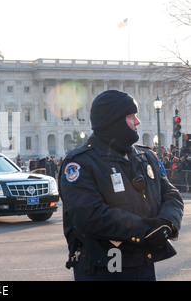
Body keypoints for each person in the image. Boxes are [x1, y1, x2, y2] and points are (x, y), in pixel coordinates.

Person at [59, 90, 184, 281]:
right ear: (113, 121)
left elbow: (171, 195)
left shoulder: (146, 156)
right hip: (101, 269)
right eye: (131, 116)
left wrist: (167, 224)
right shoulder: (81, 163)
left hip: (143, 265)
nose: (138, 122)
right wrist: (147, 230)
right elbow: (90, 215)